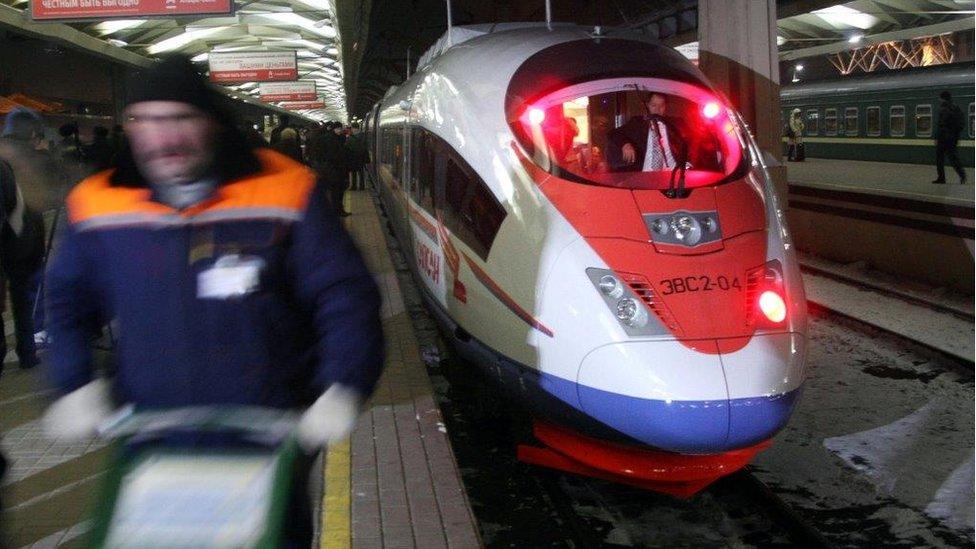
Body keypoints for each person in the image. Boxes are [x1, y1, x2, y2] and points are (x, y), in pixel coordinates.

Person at [40, 55, 384, 544]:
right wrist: (73, 381)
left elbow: (343, 293)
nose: (165, 137)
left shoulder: (283, 190)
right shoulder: (97, 204)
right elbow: (67, 299)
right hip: (152, 438)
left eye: (181, 118)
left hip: (269, 437)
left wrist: (343, 382)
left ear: (212, 122)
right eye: (146, 120)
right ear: (129, 127)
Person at [0, 108, 53, 371]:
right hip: (21, 241)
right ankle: (28, 352)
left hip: (8, 239)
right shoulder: (29, 157)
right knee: (24, 300)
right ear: (32, 133)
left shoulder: (3, 151)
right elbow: (40, 200)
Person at [607, 92, 683, 172]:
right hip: (644, 175)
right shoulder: (638, 123)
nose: (658, 110)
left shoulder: (675, 123)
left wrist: (687, 164)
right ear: (648, 105)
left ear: (665, 106)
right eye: (654, 105)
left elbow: (692, 140)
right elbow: (613, 133)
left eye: (661, 106)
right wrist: (625, 144)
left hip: (673, 173)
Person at [933, 91, 966, 184]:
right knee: (953, 158)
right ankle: (962, 175)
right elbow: (962, 123)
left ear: (942, 98)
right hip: (953, 138)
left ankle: (941, 178)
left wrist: (937, 137)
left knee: (940, 159)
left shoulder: (943, 108)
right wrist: (955, 134)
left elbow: (941, 124)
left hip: (943, 138)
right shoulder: (956, 107)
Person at [345, 122, 368, 191]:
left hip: (354, 157)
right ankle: (361, 186)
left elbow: (347, 146)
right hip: (360, 157)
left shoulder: (351, 137)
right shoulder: (363, 136)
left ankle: (354, 186)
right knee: (360, 172)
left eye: (352, 128)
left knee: (354, 172)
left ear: (353, 128)